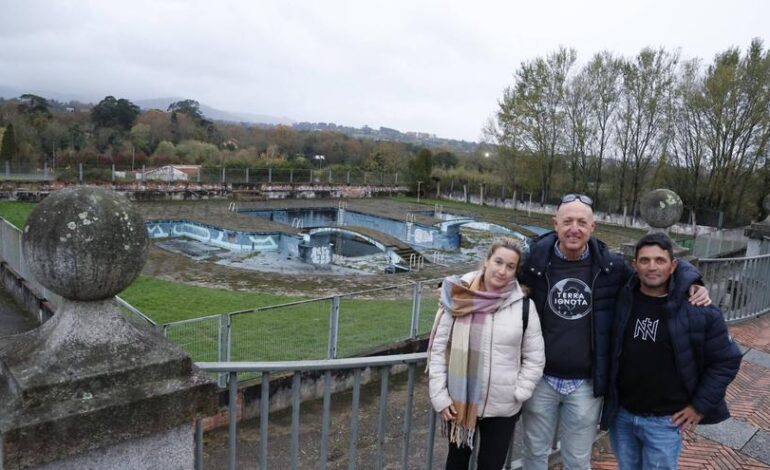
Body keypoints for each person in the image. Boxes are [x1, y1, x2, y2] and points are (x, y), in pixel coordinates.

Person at [519, 194, 711, 470]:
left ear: (592, 227)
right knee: (534, 453)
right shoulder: (534, 263)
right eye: (568, 221)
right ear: (555, 224)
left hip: (585, 385)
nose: (575, 228)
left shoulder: (611, 267)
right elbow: (495, 271)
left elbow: (653, 270)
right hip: (540, 379)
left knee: (577, 459)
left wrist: (693, 281)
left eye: (582, 222)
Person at [603, 233, 741, 469]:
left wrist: (700, 406)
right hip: (622, 415)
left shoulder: (699, 310)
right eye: (645, 261)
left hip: (665, 421)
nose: (652, 267)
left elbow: (726, 361)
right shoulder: (622, 299)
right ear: (634, 265)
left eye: (660, 260)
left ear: (673, 266)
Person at [428, 237, 545, 470]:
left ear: (515, 271)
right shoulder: (458, 297)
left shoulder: (523, 306)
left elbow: (535, 356)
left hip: (503, 407)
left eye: (510, 266)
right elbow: (438, 351)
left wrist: (519, 392)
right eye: (498, 262)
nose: (502, 271)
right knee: (456, 464)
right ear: (486, 261)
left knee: (491, 465)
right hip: (458, 403)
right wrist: (439, 397)